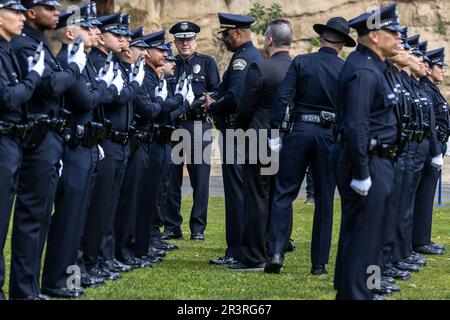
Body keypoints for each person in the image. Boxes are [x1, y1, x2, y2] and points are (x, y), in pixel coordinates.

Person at [264, 17, 356, 276]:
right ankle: (319, 264)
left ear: (321, 38)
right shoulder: (345, 69)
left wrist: (275, 132)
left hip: (299, 130)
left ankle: (276, 252)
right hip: (329, 135)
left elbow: (283, 98)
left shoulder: (301, 62)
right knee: (325, 199)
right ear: (342, 45)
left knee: (284, 192)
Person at [40, 5, 120, 298]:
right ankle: (55, 281)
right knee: (67, 220)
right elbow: (86, 100)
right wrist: (104, 87)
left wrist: (100, 88)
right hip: (72, 147)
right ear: (71, 32)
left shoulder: (80, 60)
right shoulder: (67, 59)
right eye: (88, 28)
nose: (95, 33)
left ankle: (69, 279)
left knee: (77, 220)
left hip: (86, 147)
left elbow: (92, 96)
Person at [10, 0, 87, 300]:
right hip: (38, 139)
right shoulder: (24, 46)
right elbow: (51, 86)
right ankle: (24, 290)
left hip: (50, 138)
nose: (58, 13)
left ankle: (30, 287)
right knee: (31, 218)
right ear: (31, 13)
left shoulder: (38, 43)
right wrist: (74, 66)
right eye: (49, 8)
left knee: (39, 217)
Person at [333, 3, 403, 300]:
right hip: (369, 164)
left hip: (377, 162)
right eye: (392, 32)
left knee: (367, 236)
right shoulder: (363, 69)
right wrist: (362, 173)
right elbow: (356, 126)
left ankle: (361, 290)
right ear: (374, 35)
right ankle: (356, 294)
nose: (398, 38)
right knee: (362, 238)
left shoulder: (373, 65)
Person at [80, 11, 144, 281]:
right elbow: (116, 96)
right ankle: (92, 260)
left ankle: (102, 258)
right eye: (116, 34)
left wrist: (128, 88)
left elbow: (123, 94)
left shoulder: (110, 61)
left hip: (119, 140)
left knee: (109, 205)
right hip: (104, 139)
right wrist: (131, 87)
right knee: (97, 207)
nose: (123, 39)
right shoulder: (94, 62)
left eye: (124, 34)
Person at [229, 19, 293, 271]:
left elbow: (245, 108)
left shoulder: (260, 68)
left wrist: (239, 130)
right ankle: (277, 248)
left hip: (258, 138)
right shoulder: (297, 68)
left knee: (256, 198)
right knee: (282, 197)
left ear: (268, 40)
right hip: (287, 140)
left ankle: (253, 255)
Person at [204, 13, 263, 266]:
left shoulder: (241, 60)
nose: (224, 40)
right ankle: (243, 246)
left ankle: (237, 249)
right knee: (243, 191)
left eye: (226, 35)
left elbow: (235, 98)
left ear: (237, 34)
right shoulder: (251, 56)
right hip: (243, 133)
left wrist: (213, 105)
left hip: (235, 133)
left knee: (236, 192)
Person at [0, 0, 44, 300]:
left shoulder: (7, 50)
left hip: (13, 144)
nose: (20, 17)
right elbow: (7, 97)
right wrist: (33, 77)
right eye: (13, 12)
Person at [162, 21, 220, 242]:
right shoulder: (169, 64)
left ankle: (198, 227)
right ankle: (172, 225)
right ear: (175, 42)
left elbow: (215, 91)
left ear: (195, 40)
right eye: (180, 39)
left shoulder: (207, 63)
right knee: (171, 177)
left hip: (199, 126)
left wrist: (194, 103)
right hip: (175, 126)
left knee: (200, 178)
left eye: (188, 39)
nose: (185, 43)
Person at [413, 47, 448, 254]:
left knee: (427, 195)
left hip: (437, 145)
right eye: (440, 67)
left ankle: (423, 237)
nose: (443, 71)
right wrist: (436, 150)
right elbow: (431, 123)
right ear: (429, 69)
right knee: (424, 196)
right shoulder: (425, 88)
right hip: (429, 147)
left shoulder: (432, 89)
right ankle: (419, 241)